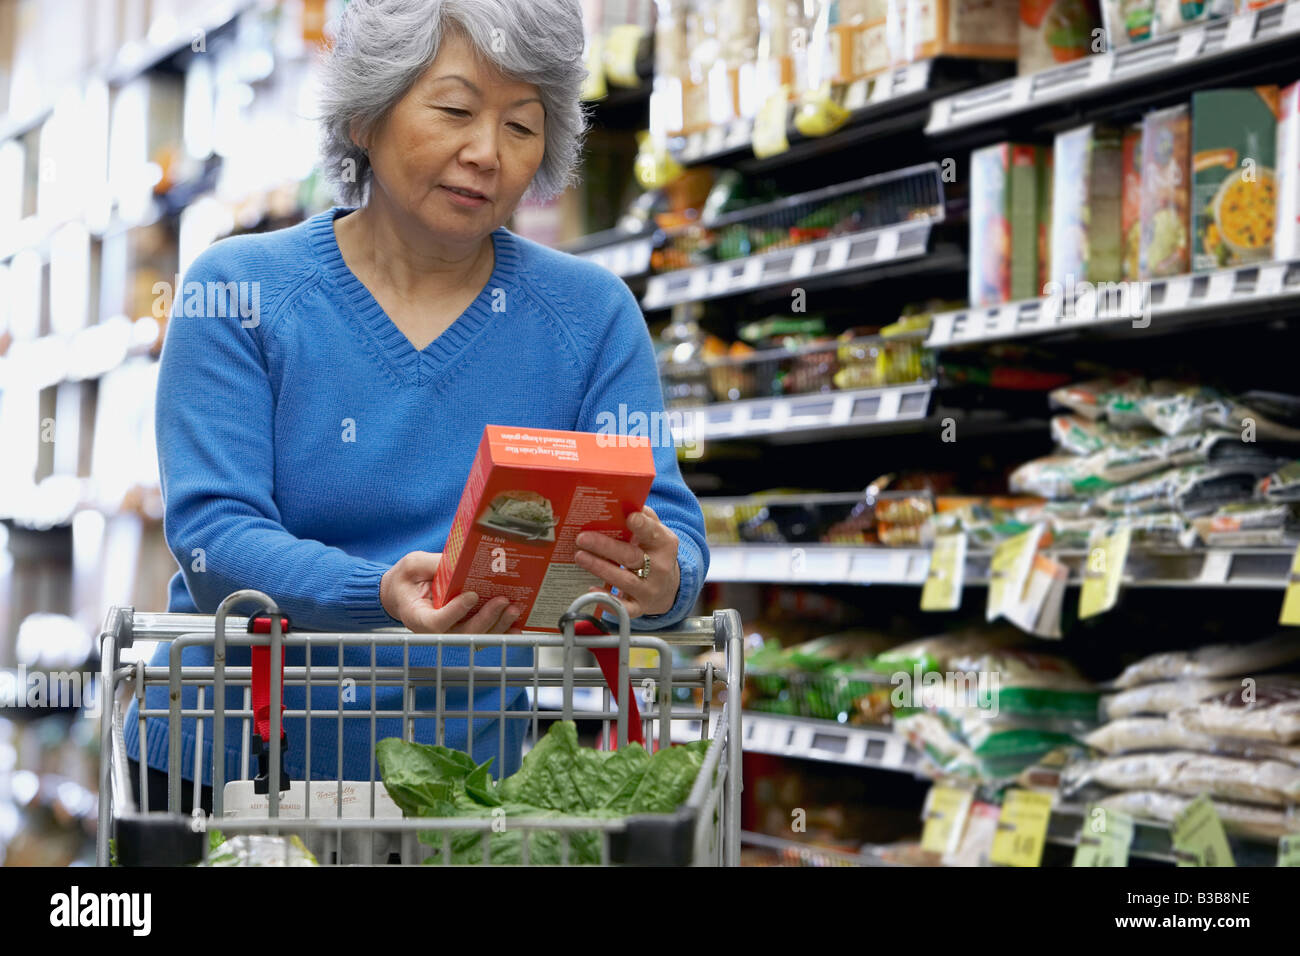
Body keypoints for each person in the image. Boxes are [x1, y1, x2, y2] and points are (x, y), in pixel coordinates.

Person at [123, 0, 708, 809]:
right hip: (229, 765)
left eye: (521, 124)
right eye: (456, 109)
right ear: (366, 114)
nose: (486, 154)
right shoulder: (236, 291)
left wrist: (661, 577)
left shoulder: (592, 315)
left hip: (463, 784)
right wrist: (379, 595)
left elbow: (668, 527)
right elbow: (212, 537)